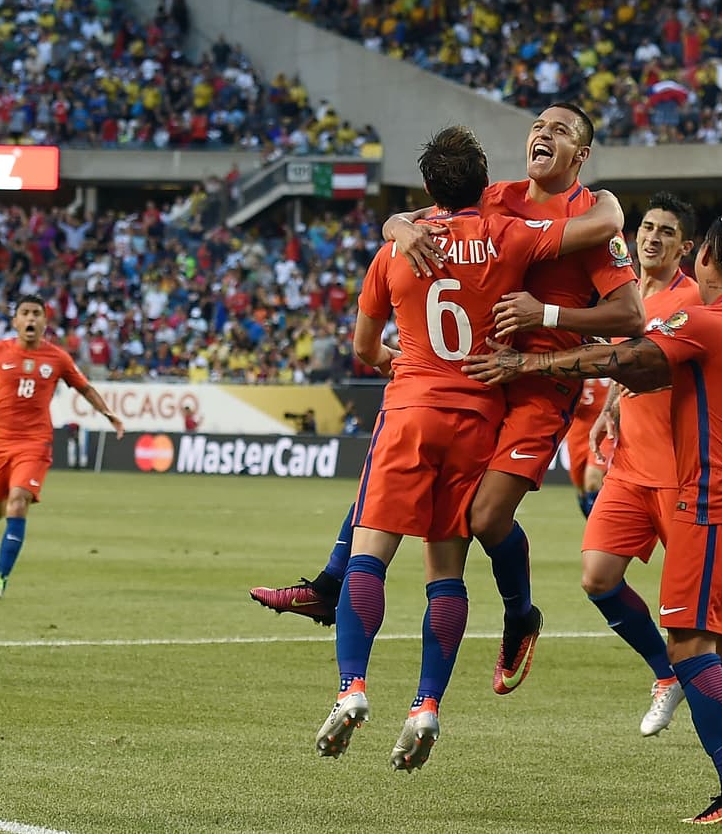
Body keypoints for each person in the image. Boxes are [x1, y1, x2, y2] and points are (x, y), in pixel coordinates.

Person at [462, 212, 722, 823]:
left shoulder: (701, 319)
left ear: (702, 256)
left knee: (690, 649)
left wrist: (528, 365)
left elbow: (628, 360)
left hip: (712, 503)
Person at [252, 102, 645, 696]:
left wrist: (549, 313)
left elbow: (631, 315)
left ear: (580, 156)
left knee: (485, 518)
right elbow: (425, 213)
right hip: (487, 376)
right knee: (400, 453)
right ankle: (334, 583)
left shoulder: (593, 216)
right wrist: (398, 227)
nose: (543, 134)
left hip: (544, 380)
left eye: (560, 131)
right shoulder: (499, 199)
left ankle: (520, 616)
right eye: (538, 125)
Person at [314, 125, 625, 771]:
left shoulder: (397, 251)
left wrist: (398, 227)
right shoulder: (508, 233)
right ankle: (426, 705)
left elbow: (366, 348)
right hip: (480, 412)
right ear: (485, 185)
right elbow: (589, 230)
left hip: (411, 409)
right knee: (446, 571)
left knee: (370, 558)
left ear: (428, 187)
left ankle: (353, 689)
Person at [580, 192, 722, 745]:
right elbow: (633, 369)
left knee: (702, 624)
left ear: (690, 250)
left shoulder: (693, 303)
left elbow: (657, 363)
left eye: (666, 232)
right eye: (647, 227)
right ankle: (665, 674)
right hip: (630, 468)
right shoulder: (627, 296)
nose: (652, 237)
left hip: (680, 476)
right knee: (597, 577)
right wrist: (610, 411)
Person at [0, 295, 124, 598]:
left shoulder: (58, 358)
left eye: (36, 314)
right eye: (25, 314)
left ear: (45, 321)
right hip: (0, 442)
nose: (31, 319)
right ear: (15, 321)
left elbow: (84, 388)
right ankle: (10, 507)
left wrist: (108, 413)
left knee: (18, 501)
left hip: (35, 442)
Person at [565, 376, 611, 517]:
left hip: (607, 427)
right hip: (578, 430)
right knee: (581, 486)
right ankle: (594, 529)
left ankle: (603, 531)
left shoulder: (613, 358)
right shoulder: (576, 358)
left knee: (592, 479)